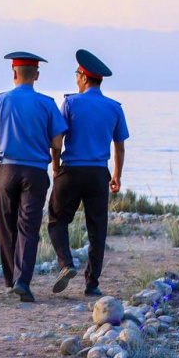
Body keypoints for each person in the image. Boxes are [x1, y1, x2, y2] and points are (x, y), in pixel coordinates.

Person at [0, 52, 67, 302]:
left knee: (6, 228)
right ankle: (23, 281)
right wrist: (55, 165)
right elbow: (57, 142)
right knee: (28, 228)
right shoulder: (47, 104)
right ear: (36, 75)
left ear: (14, 74)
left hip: (6, 170)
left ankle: (10, 281)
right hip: (35, 172)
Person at [48, 49, 130, 297]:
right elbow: (119, 146)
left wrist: (55, 166)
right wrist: (117, 175)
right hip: (98, 174)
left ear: (84, 77)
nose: (75, 79)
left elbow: (57, 140)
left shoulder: (70, 103)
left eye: (76, 74)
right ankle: (92, 283)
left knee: (57, 221)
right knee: (97, 229)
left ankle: (66, 263)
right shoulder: (114, 108)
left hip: (71, 171)